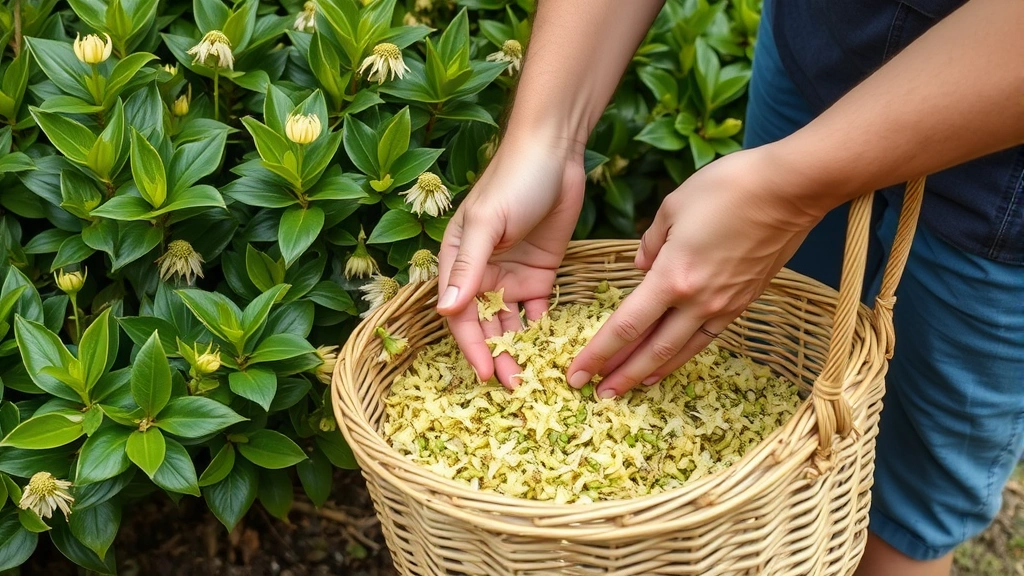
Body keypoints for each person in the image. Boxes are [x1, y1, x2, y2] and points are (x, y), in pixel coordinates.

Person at [434, 0, 1024, 574]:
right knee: (783, 383)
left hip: (997, 141)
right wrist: (546, 137)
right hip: (822, 49)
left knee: (910, 507)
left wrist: (783, 193)